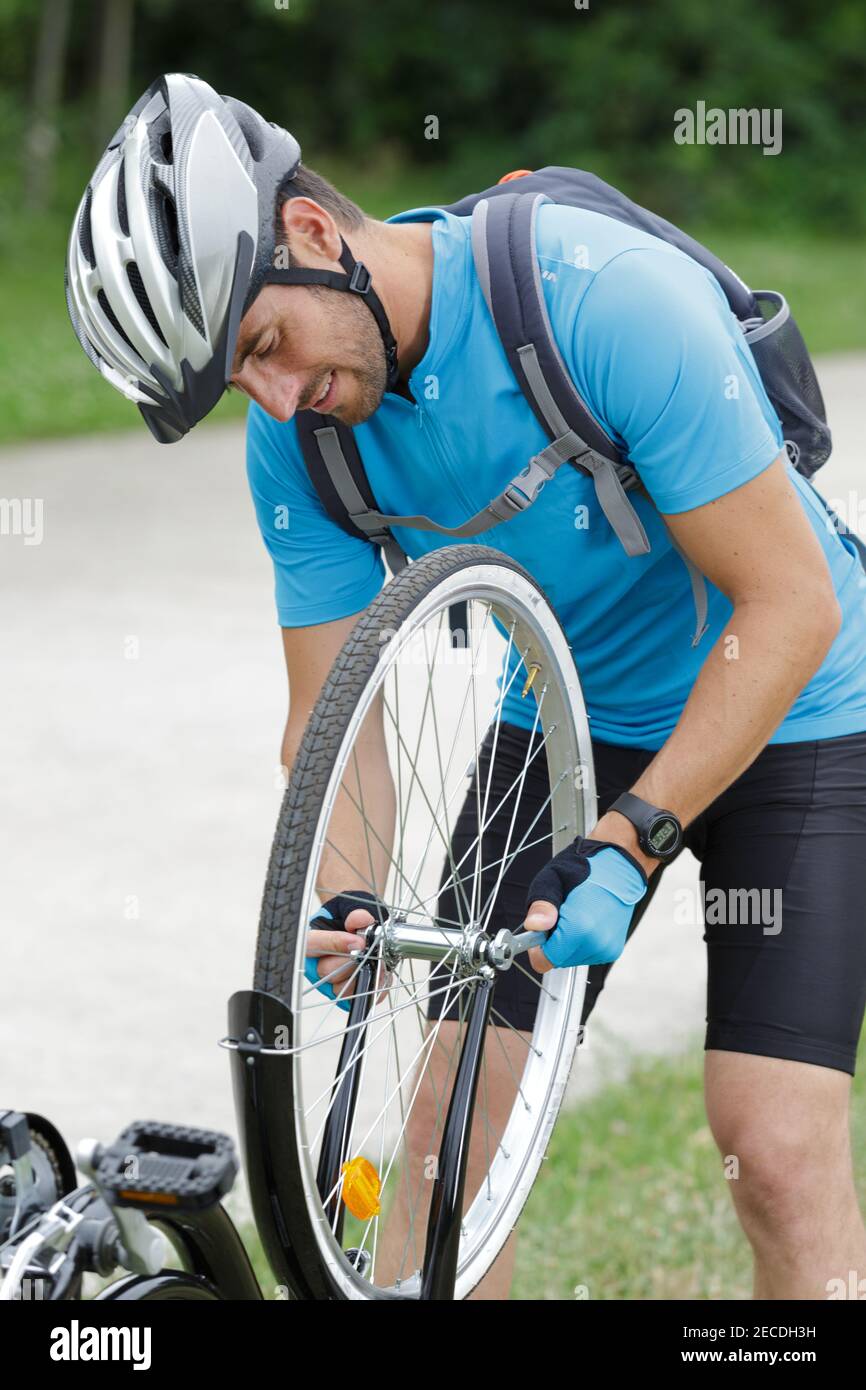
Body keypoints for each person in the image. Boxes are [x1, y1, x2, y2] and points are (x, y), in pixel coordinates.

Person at [67, 72, 866, 1301]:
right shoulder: (305, 439)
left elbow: (789, 602)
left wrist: (632, 837)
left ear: (315, 235)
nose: (273, 400)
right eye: (240, 383)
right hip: (571, 714)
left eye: (265, 346)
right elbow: (335, 723)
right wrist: (346, 888)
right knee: (441, 1157)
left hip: (799, 699)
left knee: (769, 1148)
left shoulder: (598, 301)